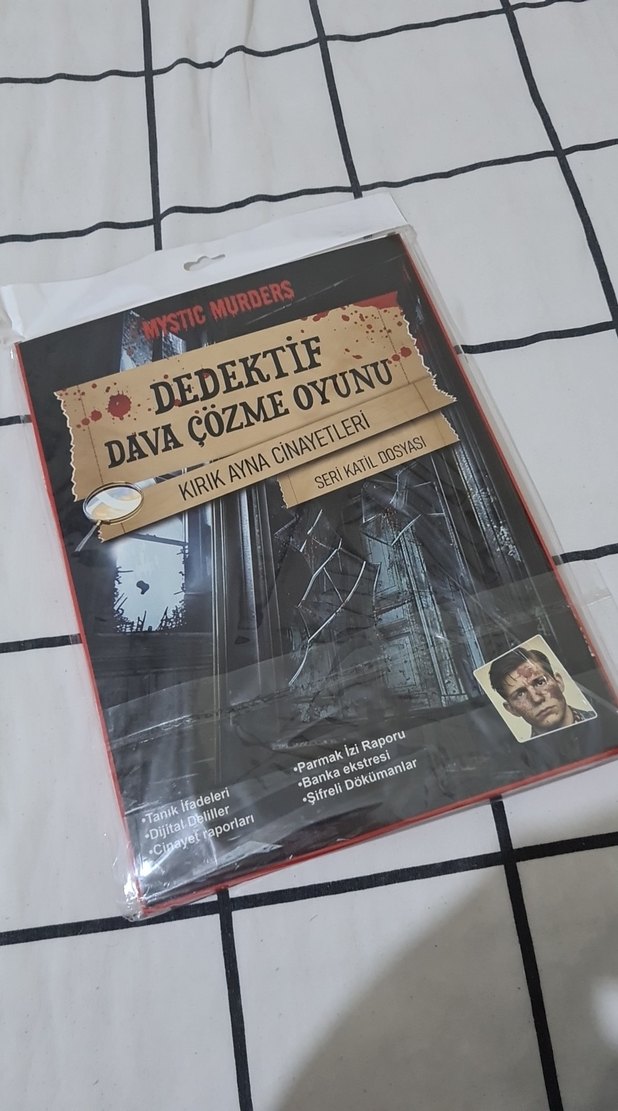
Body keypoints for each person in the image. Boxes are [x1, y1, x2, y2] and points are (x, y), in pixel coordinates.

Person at [488, 646, 595, 739]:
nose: (536, 699)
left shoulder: (602, 718)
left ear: (559, 682)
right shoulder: (521, 754)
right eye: (520, 694)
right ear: (511, 709)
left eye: (540, 682)